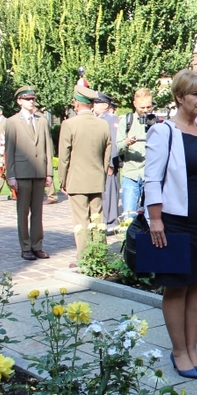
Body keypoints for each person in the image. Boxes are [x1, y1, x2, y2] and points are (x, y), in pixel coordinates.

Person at [145, 69, 197, 379]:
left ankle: (193, 348)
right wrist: (155, 219)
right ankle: (179, 351)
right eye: (195, 94)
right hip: (173, 222)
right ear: (179, 97)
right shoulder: (163, 131)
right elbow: (152, 178)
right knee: (177, 287)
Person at [57, 85, 112, 265]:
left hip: (77, 179)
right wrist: (102, 173)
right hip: (96, 178)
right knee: (97, 217)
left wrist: (62, 180)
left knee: (81, 220)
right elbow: (107, 153)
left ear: (77, 103)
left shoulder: (69, 124)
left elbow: (64, 157)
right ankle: (100, 254)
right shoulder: (103, 124)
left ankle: (84, 257)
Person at [4, 86, 54, 261]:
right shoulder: (12, 122)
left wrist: (49, 173)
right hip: (22, 172)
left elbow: (48, 147)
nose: (31, 102)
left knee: (38, 212)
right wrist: (11, 175)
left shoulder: (42, 121)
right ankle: (25, 247)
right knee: (23, 212)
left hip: (39, 171)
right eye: (27, 99)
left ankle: (37, 245)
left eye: (33, 99)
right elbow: (9, 150)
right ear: (19, 101)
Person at [118, 89, 152, 221]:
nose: (145, 110)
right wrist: (126, 143)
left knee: (150, 218)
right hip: (131, 174)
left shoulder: (156, 122)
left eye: (148, 107)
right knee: (129, 216)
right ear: (135, 104)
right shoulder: (126, 121)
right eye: (142, 107)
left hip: (150, 176)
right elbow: (118, 148)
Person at [94, 92, 121, 229]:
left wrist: (111, 163)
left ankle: (110, 221)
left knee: (109, 192)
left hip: (108, 163)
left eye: (97, 103)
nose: (94, 105)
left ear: (105, 105)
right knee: (103, 192)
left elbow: (114, 143)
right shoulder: (98, 119)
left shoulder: (111, 120)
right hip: (99, 162)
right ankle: (104, 219)